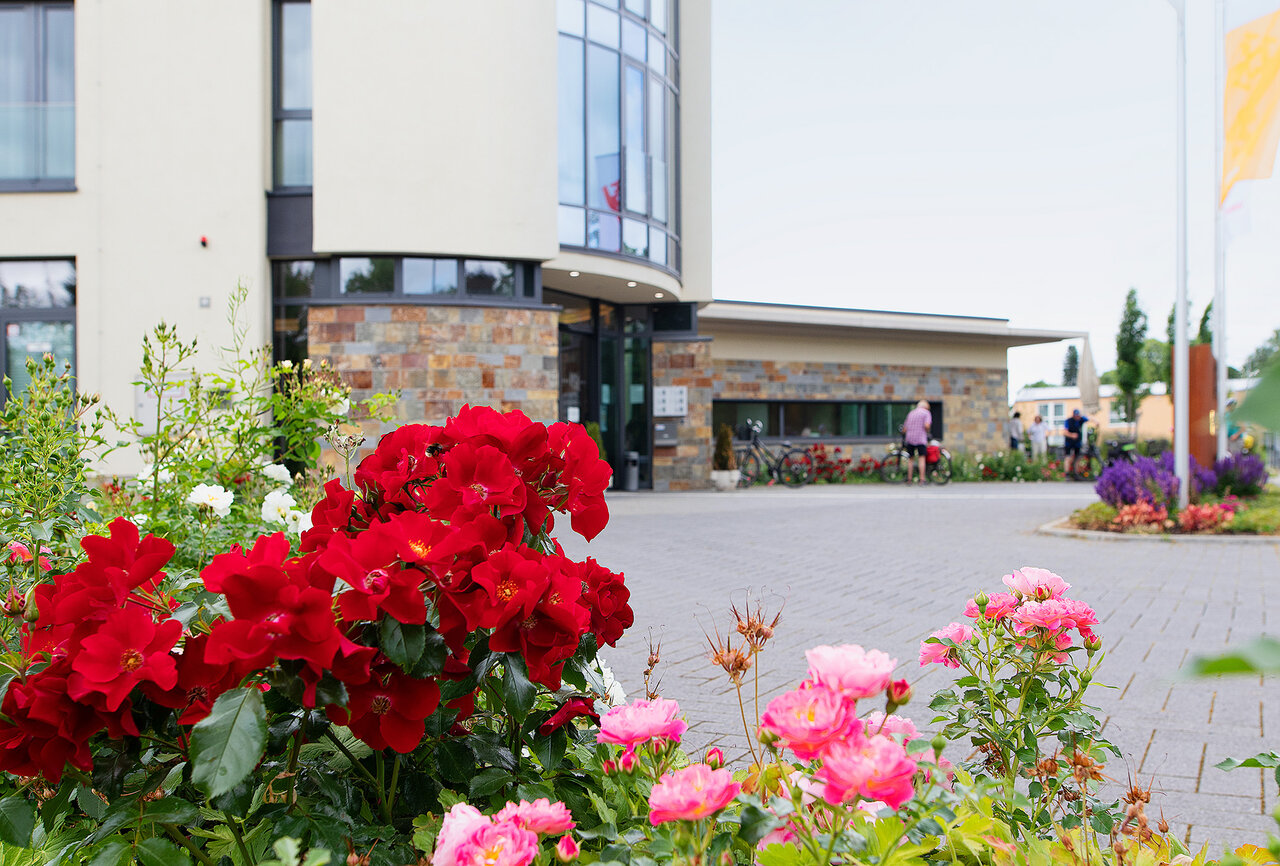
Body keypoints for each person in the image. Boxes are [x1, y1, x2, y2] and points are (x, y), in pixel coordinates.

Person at [902, 399, 932, 485]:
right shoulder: (926, 413)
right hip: (920, 438)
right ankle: (922, 480)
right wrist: (927, 430)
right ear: (926, 407)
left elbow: (904, 429)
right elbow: (927, 425)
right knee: (921, 458)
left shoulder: (911, 413)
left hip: (910, 438)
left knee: (910, 459)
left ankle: (909, 480)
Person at [1063, 409, 1088, 478]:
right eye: (1076, 416)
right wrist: (1072, 435)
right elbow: (1065, 432)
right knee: (1068, 458)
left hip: (1077, 443)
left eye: (1078, 416)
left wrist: (1096, 421)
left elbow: (1088, 418)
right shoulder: (1068, 421)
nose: (1077, 417)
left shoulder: (1080, 420)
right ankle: (1067, 474)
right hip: (1069, 443)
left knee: (1077, 458)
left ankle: (1076, 474)